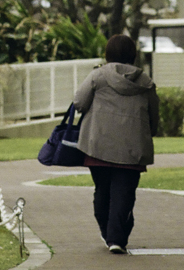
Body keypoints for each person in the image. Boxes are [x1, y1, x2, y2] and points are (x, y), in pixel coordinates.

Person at [73, 34, 159, 255]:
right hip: (132, 147)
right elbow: (153, 117)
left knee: (102, 190)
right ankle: (116, 238)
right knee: (124, 192)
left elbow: (79, 103)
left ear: (108, 53)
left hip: (98, 145)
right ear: (133, 54)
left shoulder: (98, 75)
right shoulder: (146, 82)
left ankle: (109, 234)